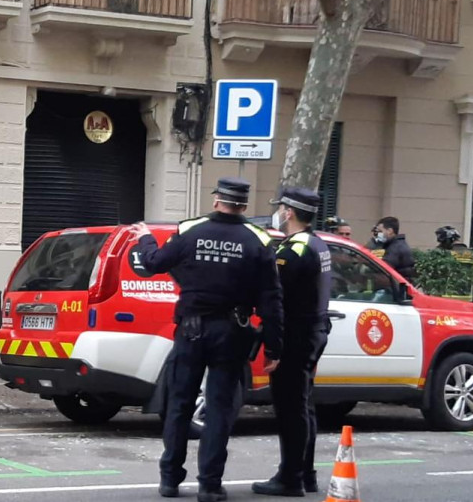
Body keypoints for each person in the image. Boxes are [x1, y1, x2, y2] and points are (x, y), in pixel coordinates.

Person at [129, 177, 284, 502]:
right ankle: (210, 485)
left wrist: (145, 239)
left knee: (179, 404)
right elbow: (271, 299)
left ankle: (170, 480)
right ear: (244, 205)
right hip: (231, 332)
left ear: (216, 201)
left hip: (190, 330)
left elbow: (154, 263)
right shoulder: (258, 239)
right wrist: (273, 346)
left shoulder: (190, 230)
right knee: (219, 408)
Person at [253, 187, 332, 497]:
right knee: (303, 404)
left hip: (297, 335)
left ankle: (290, 478)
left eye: (280, 208)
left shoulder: (293, 251)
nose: (277, 213)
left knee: (290, 408)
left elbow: (275, 295)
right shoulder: (317, 243)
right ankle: (305, 473)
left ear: (289, 212)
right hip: (314, 331)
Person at [373, 217, 416, 282]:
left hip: (397, 285)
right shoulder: (395, 244)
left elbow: (383, 268)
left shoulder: (395, 248)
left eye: (380, 231)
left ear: (390, 231)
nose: (378, 235)